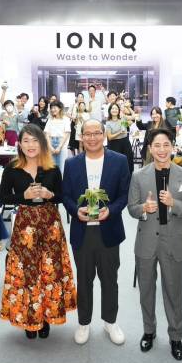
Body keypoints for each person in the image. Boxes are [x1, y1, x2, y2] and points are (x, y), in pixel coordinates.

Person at [127, 128, 182, 361]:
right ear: (150, 148)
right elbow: (131, 208)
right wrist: (143, 208)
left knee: (173, 291)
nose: (161, 150)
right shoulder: (139, 176)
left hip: (174, 241)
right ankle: (149, 331)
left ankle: (176, 337)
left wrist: (174, 203)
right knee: (146, 291)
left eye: (166, 145)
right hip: (147, 241)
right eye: (157, 145)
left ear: (172, 147)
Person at [0, 124, 76, 339]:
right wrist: (23, 196)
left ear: (42, 143)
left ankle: (46, 317)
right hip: (25, 226)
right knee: (27, 272)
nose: (30, 145)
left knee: (49, 271)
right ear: (19, 144)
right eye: (26, 141)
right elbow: (3, 198)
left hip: (50, 224)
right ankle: (29, 317)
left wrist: (50, 194)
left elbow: (62, 196)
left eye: (34, 140)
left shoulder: (52, 168)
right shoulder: (12, 168)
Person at [62, 119, 130, 346]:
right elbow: (66, 196)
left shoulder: (119, 161)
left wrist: (110, 210)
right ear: (81, 137)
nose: (92, 138)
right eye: (88, 134)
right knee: (84, 280)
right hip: (82, 231)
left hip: (108, 230)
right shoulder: (72, 164)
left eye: (97, 133)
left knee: (110, 279)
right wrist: (76, 210)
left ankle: (110, 322)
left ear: (104, 135)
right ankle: (84, 322)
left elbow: (124, 195)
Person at [105, 103, 134, 174]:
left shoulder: (122, 118)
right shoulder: (108, 122)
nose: (114, 110)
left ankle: (128, 177)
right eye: (113, 108)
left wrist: (128, 107)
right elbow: (110, 137)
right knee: (116, 164)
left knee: (128, 161)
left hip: (125, 143)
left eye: (116, 109)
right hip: (114, 145)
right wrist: (119, 132)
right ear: (110, 110)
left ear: (118, 110)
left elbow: (133, 117)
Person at [44, 101, 71, 173]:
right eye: (51, 108)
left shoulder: (66, 119)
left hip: (61, 143)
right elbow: (47, 133)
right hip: (51, 142)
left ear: (60, 108)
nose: (53, 109)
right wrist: (50, 146)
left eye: (54, 107)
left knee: (61, 167)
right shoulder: (50, 119)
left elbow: (66, 133)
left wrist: (59, 147)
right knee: (51, 167)